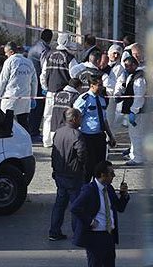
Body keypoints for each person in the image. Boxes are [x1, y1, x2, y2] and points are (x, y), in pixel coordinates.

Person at [70, 160, 130, 267]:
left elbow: (119, 208)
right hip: (95, 236)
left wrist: (124, 195)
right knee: (95, 264)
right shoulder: (89, 190)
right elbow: (75, 208)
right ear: (103, 175)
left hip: (109, 234)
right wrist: (90, 221)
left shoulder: (109, 189)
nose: (114, 176)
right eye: (111, 173)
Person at [49, 108, 88, 241]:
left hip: (60, 174)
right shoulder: (77, 134)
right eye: (80, 117)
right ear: (74, 119)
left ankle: (54, 231)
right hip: (74, 176)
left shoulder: (58, 132)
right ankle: (77, 234)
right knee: (76, 205)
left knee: (59, 204)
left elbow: (54, 153)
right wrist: (81, 167)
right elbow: (82, 154)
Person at [40, 33, 79, 147]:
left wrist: (45, 87)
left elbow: (43, 74)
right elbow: (75, 75)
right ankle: (59, 140)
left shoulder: (48, 55)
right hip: (64, 93)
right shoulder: (70, 58)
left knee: (48, 116)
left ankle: (47, 141)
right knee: (62, 117)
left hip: (50, 91)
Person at [74, 77, 116, 182]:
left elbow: (104, 119)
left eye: (102, 85)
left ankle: (98, 186)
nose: (101, 87)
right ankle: (86, 187)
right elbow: (76, 117)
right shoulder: (84, 99)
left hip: (100, 135)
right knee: (89, 165)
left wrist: (110, 136)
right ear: (92, 85)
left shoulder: (101, 99)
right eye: (99, 85)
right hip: (87, 136)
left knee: (101, 164)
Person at [0, 42, 38, 133]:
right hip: (25, 98)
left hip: (10, 98)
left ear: (11, 52)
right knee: (23, 123)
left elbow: (2, 80)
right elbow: (34, 82)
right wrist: (33, 97)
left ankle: (9, 140)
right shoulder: (29, 62)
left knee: (8, 123)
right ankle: (25, 140)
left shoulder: (9, 62)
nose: (5, 55)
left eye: (6, 52)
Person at [115, 56, 146, 166]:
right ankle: (135, 154)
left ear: (134, 65)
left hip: (138, 112)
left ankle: (138, 158)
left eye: (128, 66)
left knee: (136, 135)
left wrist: (134, 111)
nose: (126, 68)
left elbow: (139, 97)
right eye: (125, 66)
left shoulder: (139, 78)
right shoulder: (132, 76)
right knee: (134, 135)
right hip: (134, 111)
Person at [28, 29, 54, 140]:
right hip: (38, 82)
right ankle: (33, 131)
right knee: (38, 108)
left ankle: (31, 129)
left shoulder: (36, 46)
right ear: (50, 39)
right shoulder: (43, 50)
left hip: (32, 80)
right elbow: (45, 68)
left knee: (33, 107)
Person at [103, 44, 124, 131]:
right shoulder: (103, 63)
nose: (115, 56)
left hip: (111, 97)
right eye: (114, 53)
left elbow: (120, 82)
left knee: (109, 120)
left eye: (118, 54)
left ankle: (109, 142)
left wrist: (117, 93)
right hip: (101, 95)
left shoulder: (120, 68)